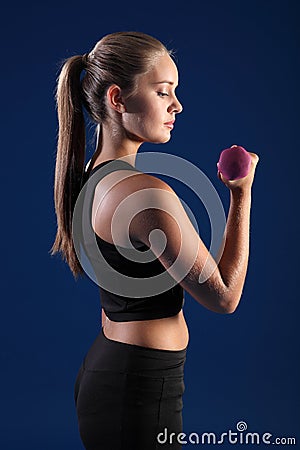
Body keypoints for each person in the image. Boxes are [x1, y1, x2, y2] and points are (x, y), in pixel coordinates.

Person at [51, 31, 259, 450]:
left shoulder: (92, 172)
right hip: (138, 390)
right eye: (163, 91)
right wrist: (241, 194)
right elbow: (224, 297)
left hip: (116, 374)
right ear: (117, 98)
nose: (176, 105)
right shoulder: (144, 194)